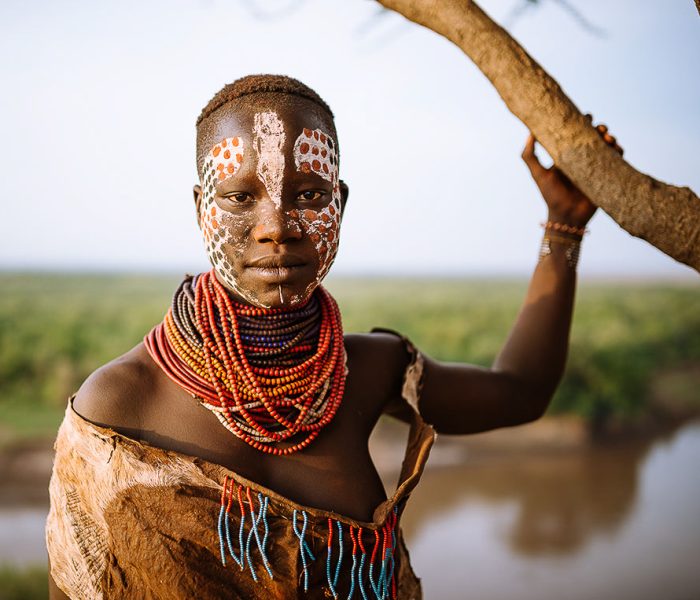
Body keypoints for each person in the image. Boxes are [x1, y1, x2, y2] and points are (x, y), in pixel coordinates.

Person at [46, 74, 622, 599]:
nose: (276, 227)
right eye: (240, 197)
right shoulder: (116, 410)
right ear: (201, 209)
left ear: (340, 205)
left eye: (308, 195)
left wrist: (564, 225)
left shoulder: (368, 372)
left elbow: (520, 391)